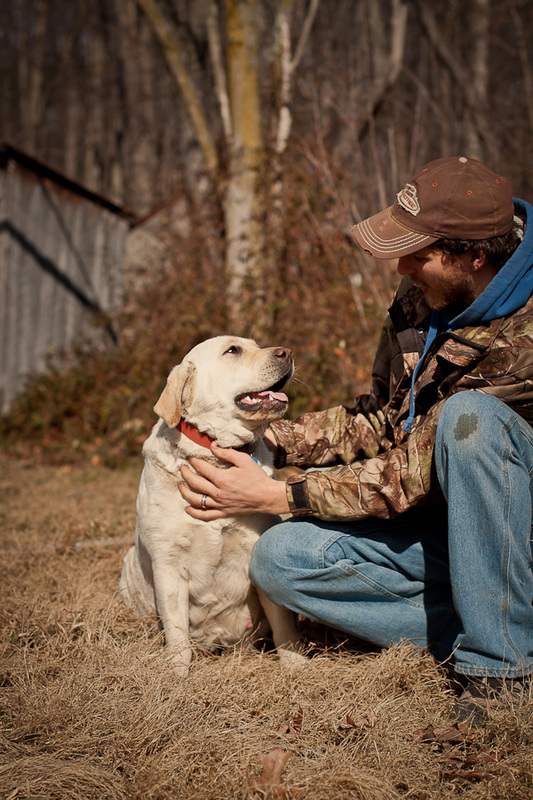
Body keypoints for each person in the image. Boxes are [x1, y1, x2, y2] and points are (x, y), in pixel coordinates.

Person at [179, 156, 533, 723]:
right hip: (442, 524)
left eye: (417, 252)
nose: (401, 264)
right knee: (278, 560)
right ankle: (493, 618)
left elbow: (409, 473)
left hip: (517, 527)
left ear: (472, 254)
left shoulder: (525, 336)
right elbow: (386, 419)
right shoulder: (424, 298)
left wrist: (281, 496)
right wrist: (254, 437)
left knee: (472, 421)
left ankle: (501, 667)